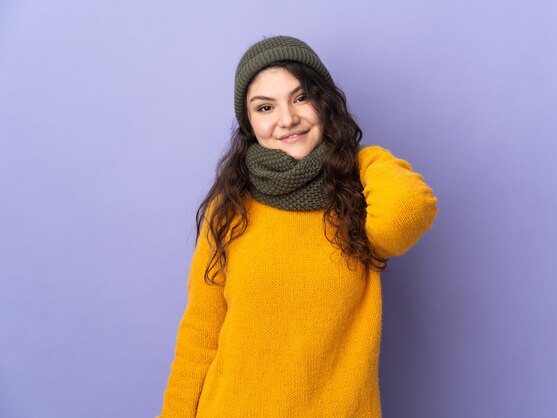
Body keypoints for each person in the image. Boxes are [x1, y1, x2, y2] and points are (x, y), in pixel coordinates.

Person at [158, 35, 438, 418]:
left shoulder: (358, 197)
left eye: (301, 97)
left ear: (324, 102)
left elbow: (403, 215)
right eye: (265, 107)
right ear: (249, 122)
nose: (286, 119)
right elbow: (199, 339)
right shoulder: (229, 210)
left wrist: (366, 159)